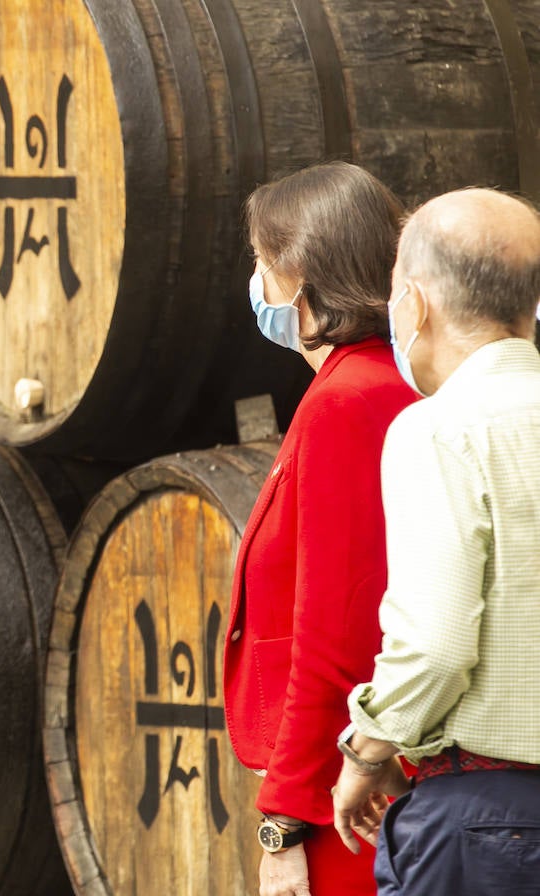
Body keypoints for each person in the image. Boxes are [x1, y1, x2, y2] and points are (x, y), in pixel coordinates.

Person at [331, 188, 540, 896]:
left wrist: (366, 752)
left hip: (491, 823)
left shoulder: (441, 428)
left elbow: (438, 646)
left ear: (414, 304)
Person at [222, 161, 418, 896]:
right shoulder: (378, 383)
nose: (255, 282)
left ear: (300, 278)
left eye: (260, 263)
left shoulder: (347, 401)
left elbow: (338, 635)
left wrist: (284, 821)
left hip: (345, 800)